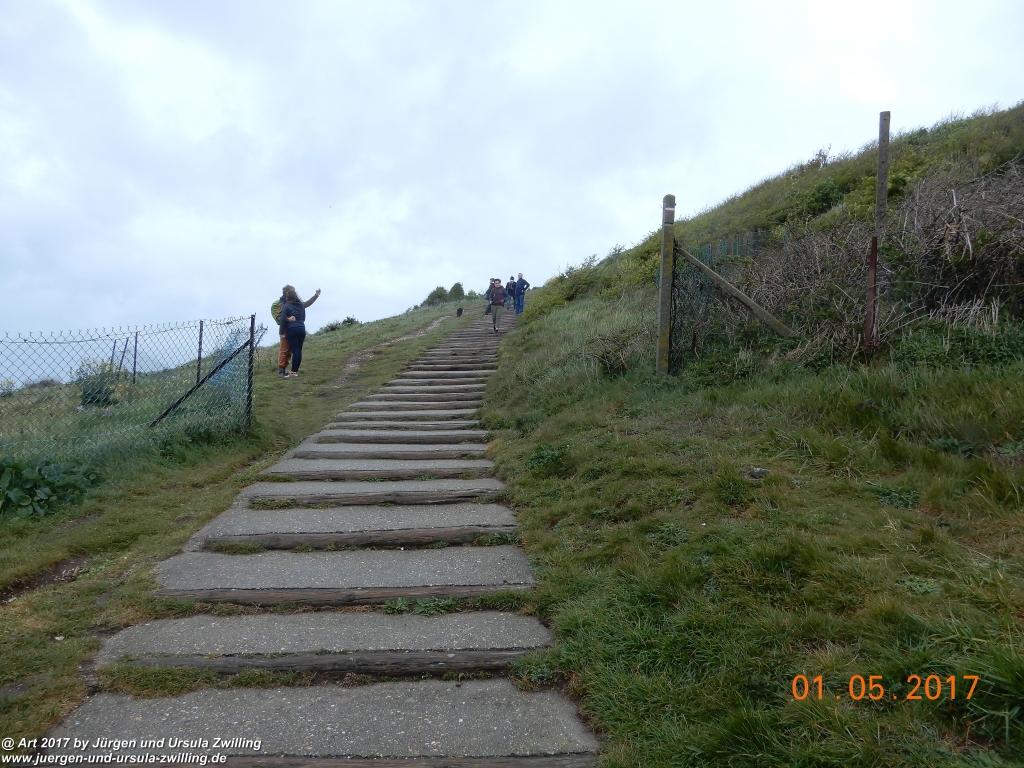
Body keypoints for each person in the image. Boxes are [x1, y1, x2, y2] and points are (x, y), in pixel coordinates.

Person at [272, 287, 320, 377]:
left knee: (291, 350)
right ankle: (291, 371)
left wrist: (281, 332)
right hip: (301, 328)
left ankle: (287, 372)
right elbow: (278, 319)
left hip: (290, 329)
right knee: (294, 350)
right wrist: (316, 295)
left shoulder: (286, 305)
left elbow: (281, 320)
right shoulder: (279, 304)